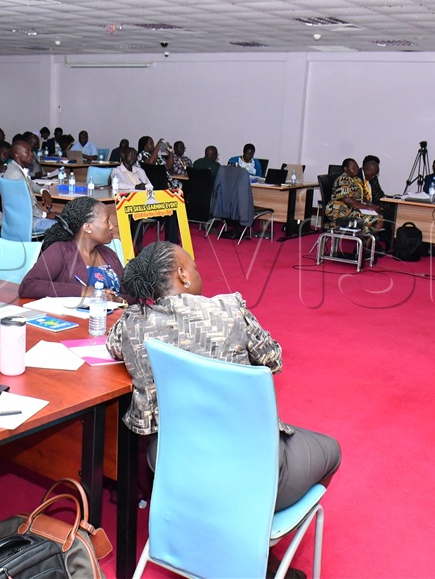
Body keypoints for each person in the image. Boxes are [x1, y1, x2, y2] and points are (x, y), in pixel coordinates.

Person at [106, 242, 341, 574]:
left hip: (174, 464)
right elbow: (273, 358)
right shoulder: (230, 310)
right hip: (250, 469)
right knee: (331, 450)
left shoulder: (133, 324)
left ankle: (215, 537)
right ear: (182, 275)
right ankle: (257, 552)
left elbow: (112, 345)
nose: (198, 271)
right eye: (194, 266)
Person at [18, 197, 124, 300]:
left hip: (117, 312)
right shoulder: (60, 251)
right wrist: (82, 291)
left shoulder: (108, 253)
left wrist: (117, 300)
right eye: (107, 221)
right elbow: (28, 286)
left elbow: (129, 292)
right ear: (87, 227)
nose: (112, 226)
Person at [3, 140, 57, 233]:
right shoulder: (15, 175)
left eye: (31, 151)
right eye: (27, 152)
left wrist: (43, 190)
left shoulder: (14, 168)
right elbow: (26, 204)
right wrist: (45, 215)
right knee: (62, 227)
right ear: (17, 155)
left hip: (20, 218)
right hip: (26, 221)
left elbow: (30, 183)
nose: (31, 154)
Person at [323, 158, 383, 233]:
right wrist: (368, 207)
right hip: (340, 209)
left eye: (357, 167)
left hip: (353, 208)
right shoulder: (343, 179)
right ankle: (365, 238)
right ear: (346, 169)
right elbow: (347, 200)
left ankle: (365, 238)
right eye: (353, 168)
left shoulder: (357, 180)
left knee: (379, 218)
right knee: (374, 220)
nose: (356, 170)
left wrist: (372, 206)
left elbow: (363, 197)